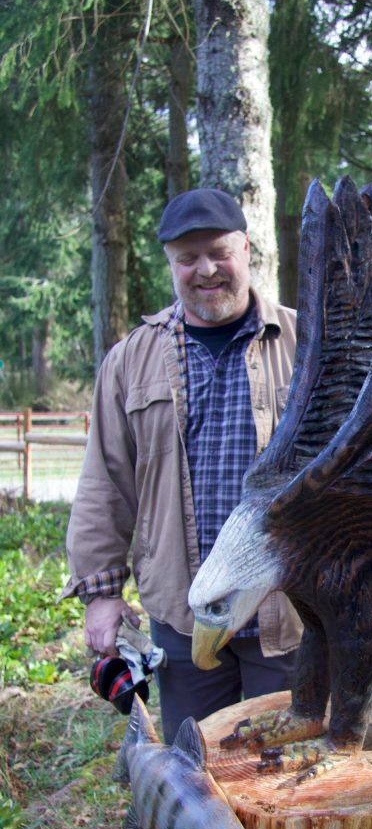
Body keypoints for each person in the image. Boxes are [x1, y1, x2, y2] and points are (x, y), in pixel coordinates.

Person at [62, 188, 302, 742]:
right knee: (197, 773)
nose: (206, 270)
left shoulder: (305, 341)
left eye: (219, 252)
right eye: (187, 258)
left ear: (246, 247)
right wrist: (100, 596)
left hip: (288, 612)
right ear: (170, 262)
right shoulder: (130, 360)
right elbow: (105, 482)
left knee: (294, 777)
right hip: (184, 618)